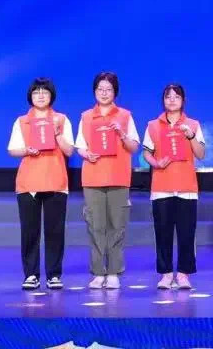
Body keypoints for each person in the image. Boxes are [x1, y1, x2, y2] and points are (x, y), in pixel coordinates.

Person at [6, 77, 75, 291]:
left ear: (52, 95)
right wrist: (27, 150)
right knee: (30, 231)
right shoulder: (22, 121)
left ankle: (54, 275)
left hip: (55, 180)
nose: (41, 95)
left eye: (45, 91)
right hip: (29, 182)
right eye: (36, 92)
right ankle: (31, 275)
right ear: (30, 96)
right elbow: (12, 149)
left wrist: (57, 135)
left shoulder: (62, 119)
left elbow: (69, 150)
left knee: (55, 231)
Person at [75, 71, 141, 289]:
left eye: (108, 89)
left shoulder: (125, 116)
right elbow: (80, 146)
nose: (104, 93)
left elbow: (133, 147)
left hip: (118, 177)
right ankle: (97, 272)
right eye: (100, 89)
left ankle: (113, 271)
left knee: (117, 226)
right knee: (95, 226)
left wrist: (121, 134)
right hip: (93, 177)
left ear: (115, 92)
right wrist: (86, 154)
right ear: (94, 91)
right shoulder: (86, 117)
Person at [142, 83, 206, 290]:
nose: (171, 100)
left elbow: (201, 154)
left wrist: (191, 136)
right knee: (163, 232)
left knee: (187, 233)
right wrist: (156, 163)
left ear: (183, 101)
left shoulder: (193, 124)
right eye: (168, 96)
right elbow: (146, 152)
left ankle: (184, 274)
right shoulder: (153, 125)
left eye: (176, 96)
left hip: (187, 187)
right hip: (162, 186)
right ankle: (166, 274)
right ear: (163, 100)